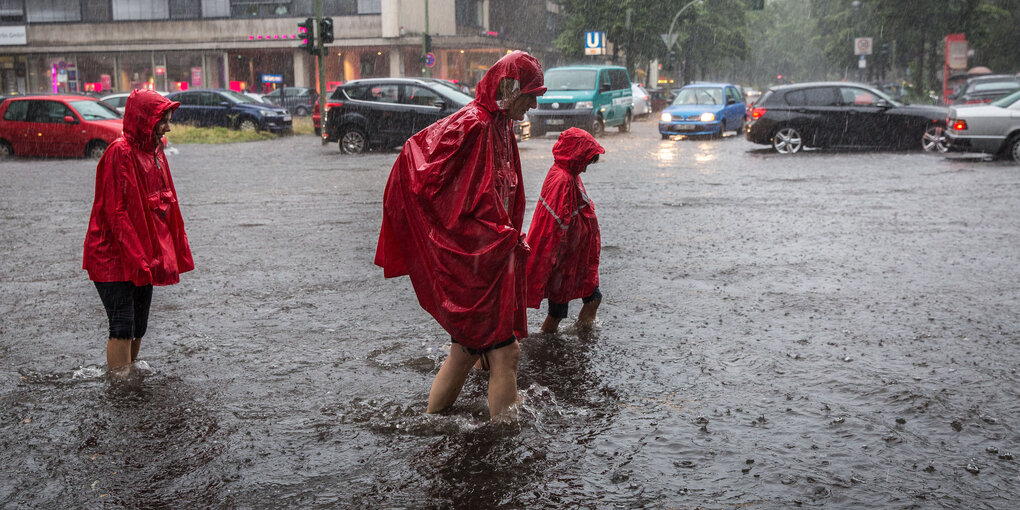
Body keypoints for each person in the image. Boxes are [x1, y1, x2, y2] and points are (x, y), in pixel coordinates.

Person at [374, 51, 545, 420]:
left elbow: (494, 194)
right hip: (476, 264)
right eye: (530, 95)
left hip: (487, 262)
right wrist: (469, 238)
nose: (533, 104)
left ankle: (432, 423)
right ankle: (505, 439)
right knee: (506, 354)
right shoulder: (475, 124)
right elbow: (418, 163)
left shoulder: (499, 126)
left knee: (466, 352)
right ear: (510, 90)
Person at [83, 89, 193, 375]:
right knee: (121, 325)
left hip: (142, 254)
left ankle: (129, 375)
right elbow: (116, 214)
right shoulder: (119, 153)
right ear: (146, 120)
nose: (168, 126)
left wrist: (167, 254)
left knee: (139, 325)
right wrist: (137, 259)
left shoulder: (155, 152)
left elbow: (166, 204)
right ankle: (120, 385)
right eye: (163, 120)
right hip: (112, 256)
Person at [525, 127, 605, 334]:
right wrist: (551, 262)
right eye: (586, 162)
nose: (586, 169)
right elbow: (554, 226)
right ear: (577, 155)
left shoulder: (567, 173)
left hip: (574, 257)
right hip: (566, 260)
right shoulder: (563, 180)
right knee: (573, 304)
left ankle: (553, 341)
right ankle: (578, 338)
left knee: (562, 307)